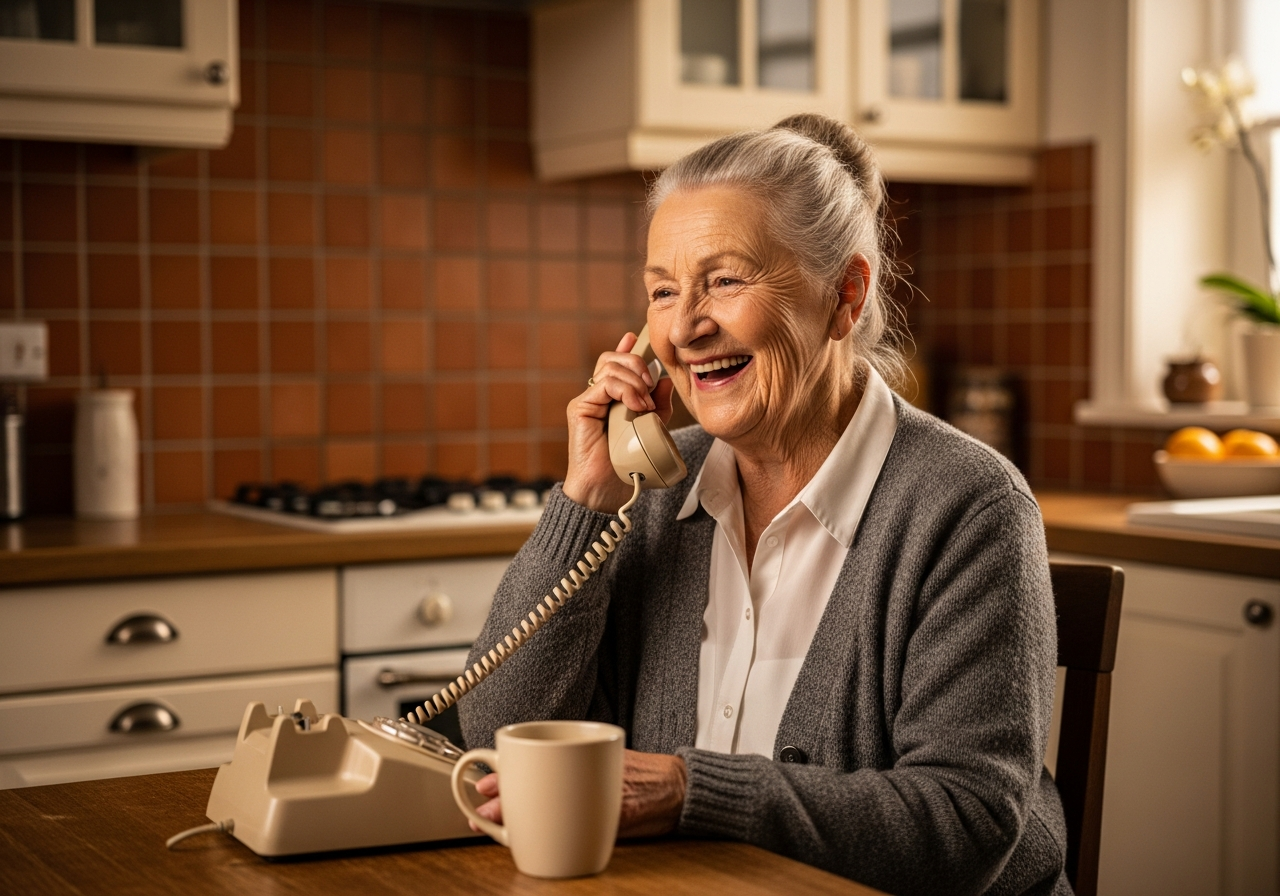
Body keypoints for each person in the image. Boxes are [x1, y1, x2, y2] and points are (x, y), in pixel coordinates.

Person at [458, 113, 1067, 896]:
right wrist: (586, 504)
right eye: (663, 291)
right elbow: (499, 737)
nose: (684, 329)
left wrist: (691, 792)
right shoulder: (652, 498)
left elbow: (965, 822)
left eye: (725, 280)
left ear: (845, 296)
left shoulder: (969, 506)